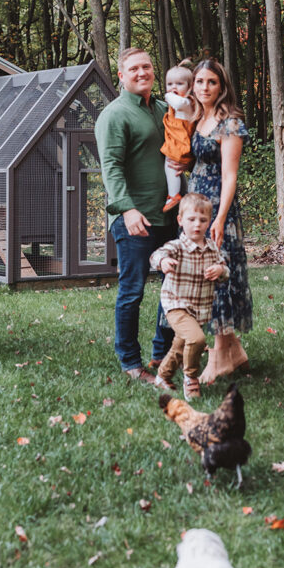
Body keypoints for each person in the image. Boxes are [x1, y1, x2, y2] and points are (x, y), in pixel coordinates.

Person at [95, 48, 176, 383]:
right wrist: (126, 209)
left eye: (147, 66)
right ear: (121, 76)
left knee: (173, 289)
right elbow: (110, 169)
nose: (142, 72)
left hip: (170, 216)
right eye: (134, 68)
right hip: (134, 220)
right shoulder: (114, 115)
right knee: (133, 291)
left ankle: (162, 353)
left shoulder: (163, 109)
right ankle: (130, 361)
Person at [180, 58, 253, 384]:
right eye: (199, 82)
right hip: (194, 208)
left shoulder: (230, 122)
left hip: (217, 209)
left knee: (217, 274)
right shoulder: (198, 118)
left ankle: (222, 355)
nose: (205, 88)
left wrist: (220, 218)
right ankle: (232, 350)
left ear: (221, 86)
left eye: (211, 82)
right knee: (201, 274)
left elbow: (229, 175)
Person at [149, 193, 229, 401]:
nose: (197, 225)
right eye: (191, 220)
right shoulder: (177, 247)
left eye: (202, 220)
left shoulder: (212, 248)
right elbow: (156, 255)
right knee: (197, 339)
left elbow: (225, 269)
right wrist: (163, 263)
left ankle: (163, 376)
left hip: (199, 307)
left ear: (209, 222)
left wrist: (220, 270)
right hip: (176, 303)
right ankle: (191, 377)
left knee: (181, 345)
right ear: (180, 220)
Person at [161, 63, 196, 213]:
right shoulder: (176, 104)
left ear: (190, 87)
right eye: (170, 84)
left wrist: (168, 95)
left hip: (181, 142)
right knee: (171, 168)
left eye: (179, 84)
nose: (174, 87)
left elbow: (178, 102)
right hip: (176, 140)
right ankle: (176, 193)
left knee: (170, 166)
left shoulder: (187, 102)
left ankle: (174, 195)